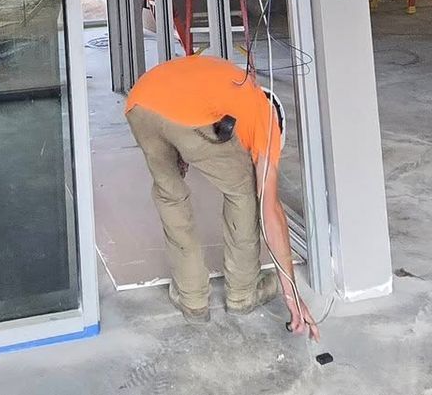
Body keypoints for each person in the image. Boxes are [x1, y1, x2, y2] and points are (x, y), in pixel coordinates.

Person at [123, 53, 318, 337]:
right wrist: (292, 296)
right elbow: (270, 210)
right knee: (243, 192)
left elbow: (186, 101)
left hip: (139, 103)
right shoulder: (266, 121)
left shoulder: (233, 84)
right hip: (182, 113)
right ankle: (243, 294)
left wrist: (182, 146)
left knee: (170, 195)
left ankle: (191, 299)